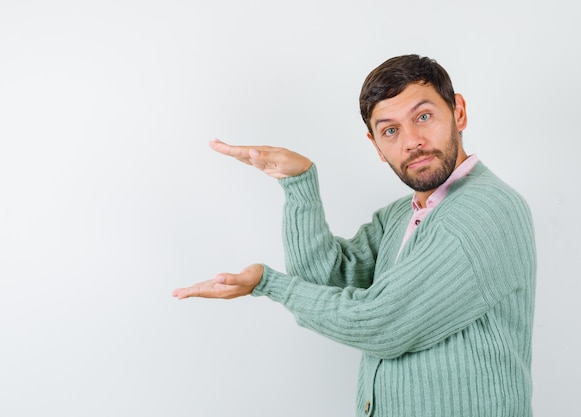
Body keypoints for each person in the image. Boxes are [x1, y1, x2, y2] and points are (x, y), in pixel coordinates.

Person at [173, 54, 536, 417]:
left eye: (423, 117)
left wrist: (270, 284)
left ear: (458, 112)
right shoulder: (402, 215)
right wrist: (299, 184)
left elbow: (382, 323)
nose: (411, 142)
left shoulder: (484, 211)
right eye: (390, 130)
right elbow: (323, 281)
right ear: (376, 145)